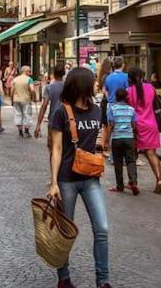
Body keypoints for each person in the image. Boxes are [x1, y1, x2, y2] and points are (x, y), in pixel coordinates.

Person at [47, 67, 111, 288]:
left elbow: (100, 135)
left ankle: (103, 280)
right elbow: (55, 149)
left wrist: (100, 149)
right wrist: (54, 182)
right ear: (81, 85)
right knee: (66, 231)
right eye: (92, 82)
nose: (95, 85)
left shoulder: (96, 111)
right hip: (67, 180)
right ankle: (63, 278)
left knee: (102, 228)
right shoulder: (61, 112)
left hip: (91, 178)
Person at [127, 67, 161, 194]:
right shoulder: (150, 88)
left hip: (136, 126)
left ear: (130, 78)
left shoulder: (129, 91)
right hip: (151, 124)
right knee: (152, 154)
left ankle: (132, 181)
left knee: (132, 155)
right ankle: (159, 179)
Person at [103, 87, 138, 195]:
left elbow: (111, 126)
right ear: (126, 97)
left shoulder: (112, 109)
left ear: (116, 97)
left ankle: (120, 186)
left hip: (117, 138)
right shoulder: (132, 109)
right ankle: (133, 181)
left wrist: (106, 141)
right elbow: (134, 125)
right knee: (131, 161)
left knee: (118, 163)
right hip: (129, 138)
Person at [34, 65, 66, 141]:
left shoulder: (49, 87)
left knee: (52, 145)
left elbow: (44, 105)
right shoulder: (68, 86)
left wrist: (38, 125)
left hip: (53, 119)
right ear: (64, 74)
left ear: (54, 74)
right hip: (66, 119)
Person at [101, 58, 128, 128]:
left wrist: (109, 98)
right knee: (123, 127)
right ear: (123, 65)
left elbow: (104, 90)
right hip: (123, 105)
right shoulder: (126, 76)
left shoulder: (108, 77)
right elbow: (128, 90)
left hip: (111, 105)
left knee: (111, 128)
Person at [11, 65, 35, 137]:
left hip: (16, 99)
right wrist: (33, 96)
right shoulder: (29, 79)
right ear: (26, 71)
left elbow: (12, 90)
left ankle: (20, 131)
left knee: (18, 114)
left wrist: (11, 99)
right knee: (27, 114)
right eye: (29, 71)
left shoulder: (15, 79)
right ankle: (26, 131)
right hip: (26, 99)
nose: (30, 73)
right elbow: (32, 89)